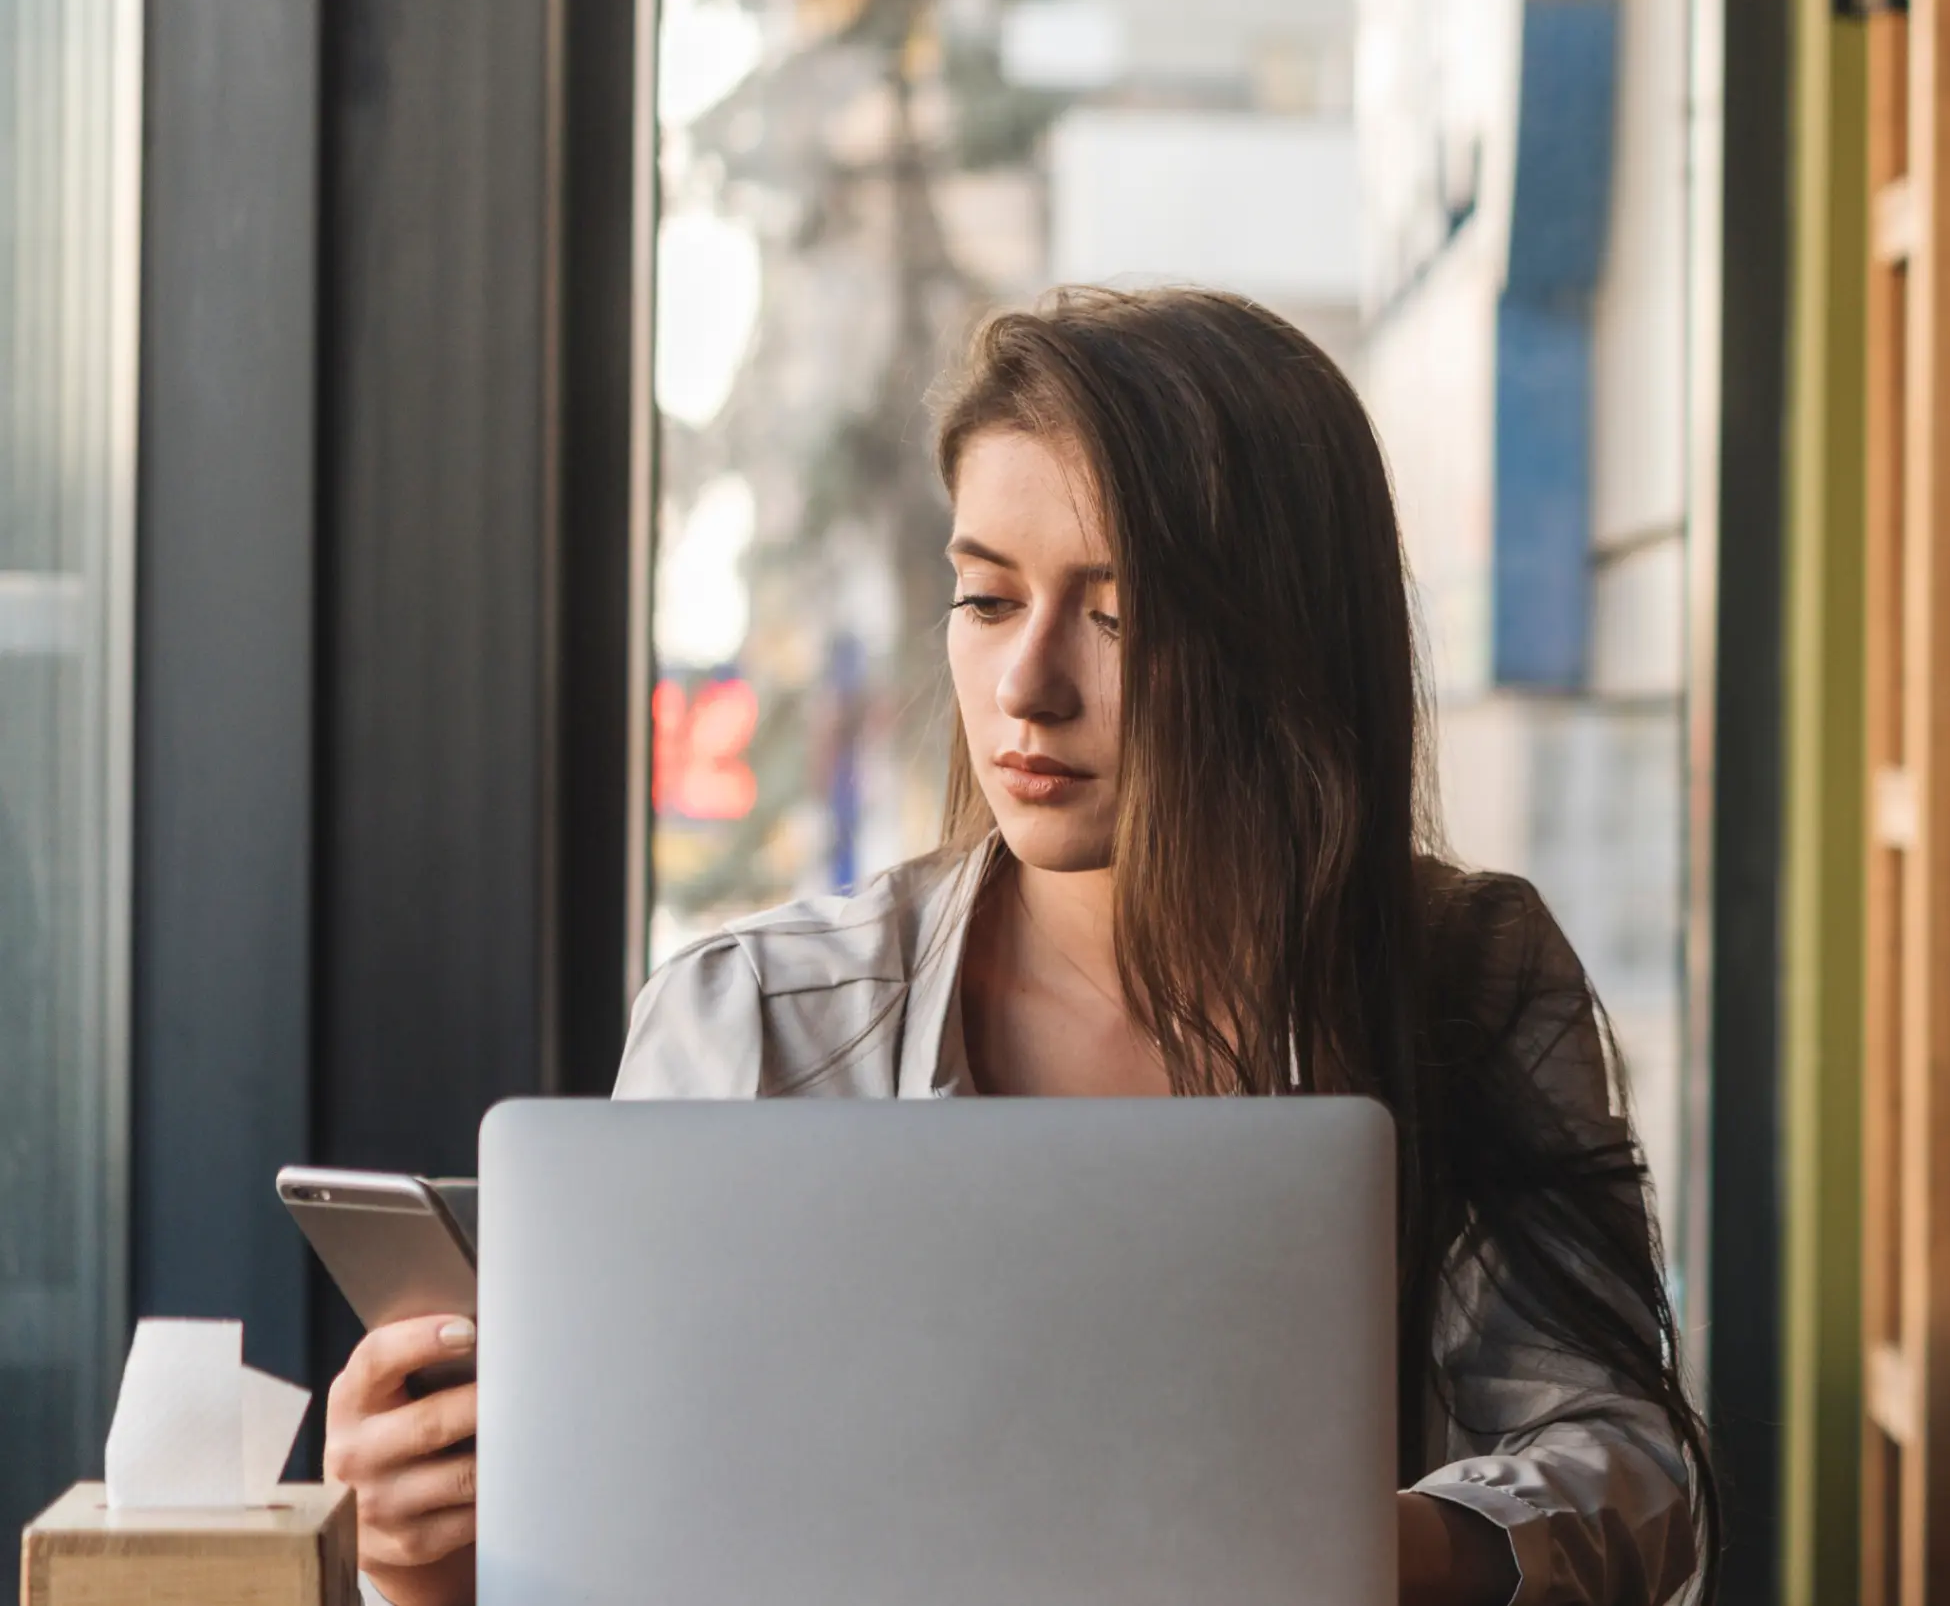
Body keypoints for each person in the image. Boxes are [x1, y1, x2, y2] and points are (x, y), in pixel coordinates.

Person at [318, 287, 1711, 1606]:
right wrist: (427, 1563)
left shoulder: (1469, 977)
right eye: (988, 599)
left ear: (1283, 648)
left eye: (1118, 616)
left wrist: (1371, 1540)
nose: (1028, 685)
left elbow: (1629, 1461)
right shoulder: (757, 1018)